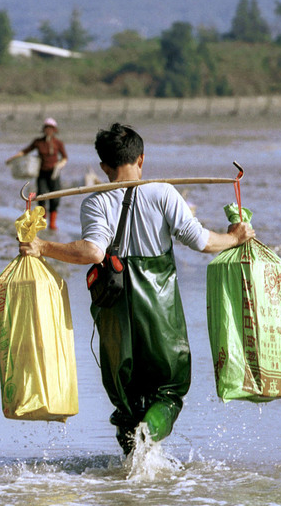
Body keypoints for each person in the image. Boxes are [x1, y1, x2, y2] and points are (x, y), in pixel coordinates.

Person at [19, 123, 255, 456]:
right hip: (159, 309)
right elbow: (201, 242)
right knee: (168, 391)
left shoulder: (95, 201)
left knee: (126, 401)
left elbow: (93, 253)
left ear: (104, 166)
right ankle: (150, 436)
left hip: (114, 309)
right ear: (141, 158)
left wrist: (42, 247)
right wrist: (234, 238)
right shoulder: (163, 192)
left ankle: (130, 472)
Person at [6, 118, 68, 230]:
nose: (48, 130)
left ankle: (52, 223)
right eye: (46, 128)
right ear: (44, 129)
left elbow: (64, 157)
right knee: (41, 196)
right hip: (42, 174)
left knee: (55, 198)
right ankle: (42, 221)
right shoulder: (38, 142)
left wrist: (60, 165)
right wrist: (12, 158)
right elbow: (25, 151)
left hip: (54, 174)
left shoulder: (58, 143)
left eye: (51, 128)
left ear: (54, 130)